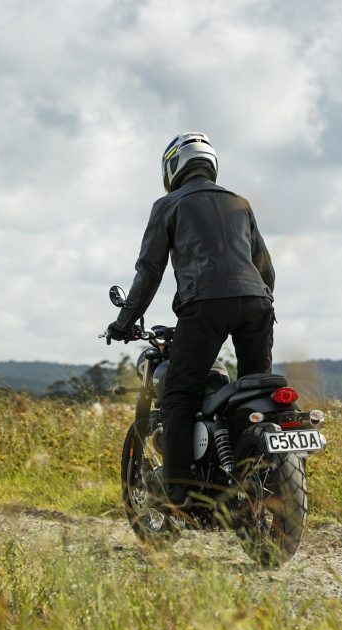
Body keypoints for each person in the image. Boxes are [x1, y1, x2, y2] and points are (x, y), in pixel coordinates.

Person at [106, 132, 276, 507]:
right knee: (252, 394)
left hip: (204, 306)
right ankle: (250, 484)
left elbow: (149, 272)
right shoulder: (239, 203)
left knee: (180, 396)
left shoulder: (168, 204)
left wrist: (123, 322)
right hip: (257, 303)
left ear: (172, 167)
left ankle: (179, 493)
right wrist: (259, 305)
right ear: (210, 163)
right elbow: (266, 269)